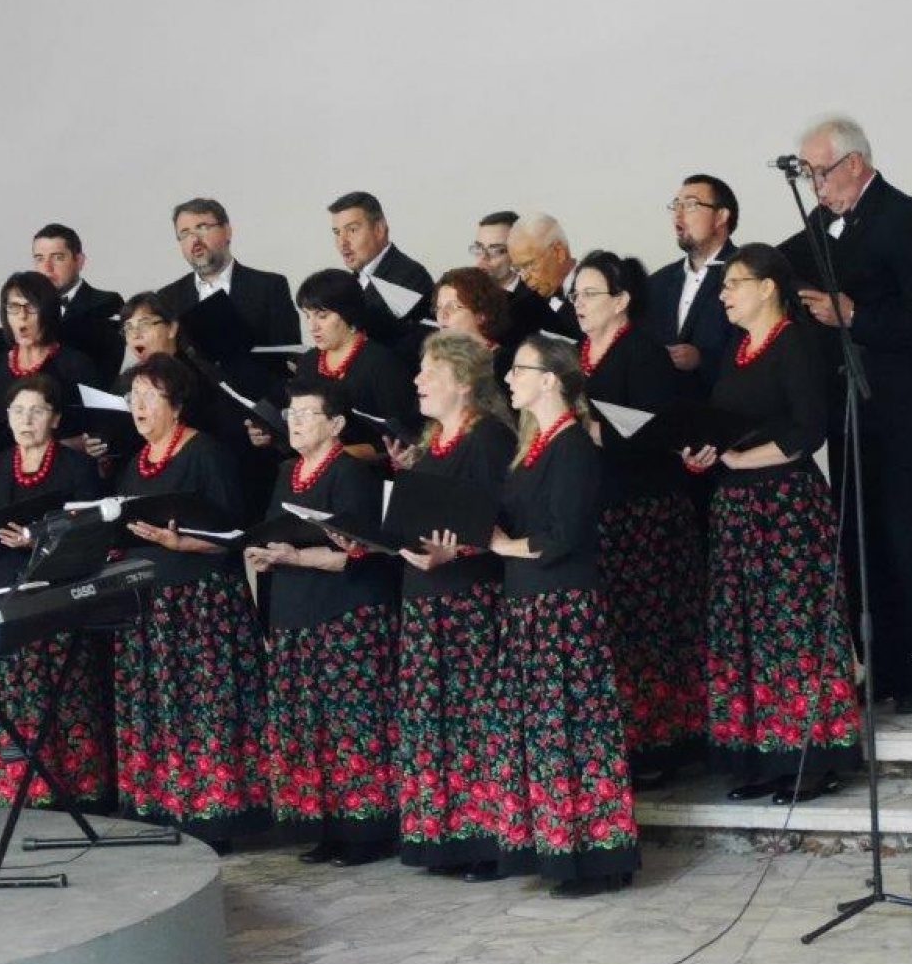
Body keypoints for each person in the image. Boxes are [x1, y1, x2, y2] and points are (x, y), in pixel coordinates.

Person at [779, 116, 912, 715]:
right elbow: (788, 262)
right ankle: (884, 664)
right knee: (858, 533)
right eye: (807, 173)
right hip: (850, 406)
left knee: (907, 530)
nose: (813, 184)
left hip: (906, 404)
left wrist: (855, 314)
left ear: (853, 164)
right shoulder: (821, 224)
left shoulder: (907, 218)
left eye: (819, 171)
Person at [681, 243, 863, 804]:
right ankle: (761, 755)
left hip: (785, 507)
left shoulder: (798, 343)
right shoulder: (737, 347)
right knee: (748, 635)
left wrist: (740, 460)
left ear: (767, 288)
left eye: (734, 283)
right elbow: (725, 423)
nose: (724, 294)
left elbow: (809, 428)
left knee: (792, 632)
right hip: (737, 508)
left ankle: (811, 757)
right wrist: (707, 456)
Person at [487, 335, 638, 898]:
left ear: (551, 379)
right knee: (545, 734)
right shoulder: (531, 445)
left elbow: (564, 535)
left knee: (575, 731)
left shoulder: (572, 446)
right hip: (529, 603)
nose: (508, 379)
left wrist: (505, 547)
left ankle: (598, 856)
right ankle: (558, 850)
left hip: (562, 606)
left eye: (519, 369)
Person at [109, 354, 270, 852]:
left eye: (148, 397)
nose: (138, 407)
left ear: (176, 402)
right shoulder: (133, 464)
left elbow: (235, 534)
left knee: (207, 708)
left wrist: (182, 544)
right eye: (133, 398)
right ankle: (164, 807)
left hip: (203, 606)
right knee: (159, 708)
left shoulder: (207, 454)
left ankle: (219, 815)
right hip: (148, 606)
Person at [246, 379, 399, 867]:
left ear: (335, 424)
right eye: (290, 414)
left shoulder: (351, 472)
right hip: (296, 609)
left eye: (307, 415)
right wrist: (270, 555)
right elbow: (279, 532)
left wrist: (297, 554)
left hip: (345, 612)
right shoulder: (288, 471)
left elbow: (357, 552)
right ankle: (330, 826)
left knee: (352, 724)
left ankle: (370, 830)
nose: (294, 422)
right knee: (311, 728)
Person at [572, 251, 707, 782]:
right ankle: (630, 738)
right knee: (617, 631)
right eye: (575, 295)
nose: (579, 304)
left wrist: (592, 430)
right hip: (600, 508)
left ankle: (667, 745)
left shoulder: (643, 351)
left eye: (590, 294)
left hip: (645, 510)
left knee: (651, 629)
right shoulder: (577, 354)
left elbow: (657, 435)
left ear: (622, 300)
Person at [390, 332, 515, 881]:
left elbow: (496, 519)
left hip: (468, 598)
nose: (417, 381)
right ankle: (445, 836)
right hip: (426, 597)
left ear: (463, 382)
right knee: (435, 720)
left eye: (429, 371)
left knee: (473, 719)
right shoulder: (432, 440)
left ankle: (486, 840)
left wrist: (453, 549)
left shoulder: (486, 438)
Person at [0, 374, 109, 808]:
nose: (26, 420)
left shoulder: (77, 468)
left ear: (55, 418)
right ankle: (15, 788)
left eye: (37, 411)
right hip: (6, 589)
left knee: (64, 693)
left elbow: (89, 535)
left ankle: (78, 791)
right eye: (18, 411)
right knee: (10, 694)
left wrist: (35, 539)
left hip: (57, 587)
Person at [117, 292, 277, 522]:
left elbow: (233, 433)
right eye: (128, 328)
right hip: (154, 486)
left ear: (172, 329)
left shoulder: (204, 375)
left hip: (212, 487)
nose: (136, 334)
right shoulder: (125, 383)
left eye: (144, 324)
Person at [259, 269, 415, 462]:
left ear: (348, 314)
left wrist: (337, 456)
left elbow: (404, 437)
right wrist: (271, 434)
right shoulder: (308, 361)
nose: (312, 326)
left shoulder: (381, 363)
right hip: (316, 469)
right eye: (308, 316)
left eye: (322, 316)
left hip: (366, 473)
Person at [154, 197, 299, 346]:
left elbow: (289, 355)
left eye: (202, 227)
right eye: (185, 234)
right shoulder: (167, 298)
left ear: (227, 231)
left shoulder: (269, 287)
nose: (194, 239)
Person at [646, 175, 741, 399]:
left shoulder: (745, 275)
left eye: (690, 205)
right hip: (666, 413)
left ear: (721, 216)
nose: (678, 215)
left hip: (724, 413)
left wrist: (702, 360)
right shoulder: (658, 282)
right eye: (675, 206)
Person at [0, 271, 101, 426]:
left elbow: (94, 430)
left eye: (31, 306)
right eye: (13, 307)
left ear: (49, 312)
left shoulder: (76, 366)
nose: (22, 316)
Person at [328, 191, 435, 360]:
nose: (342, 242)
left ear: (379, 229)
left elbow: (393, 344)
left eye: (352, 230)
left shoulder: (411, 276)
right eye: (336, 232)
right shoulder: (351, 281)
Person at [33, 222, 125, 384]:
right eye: (40, 259)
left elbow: (105, 371)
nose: (47, 268)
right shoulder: (26, 309)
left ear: (79, 261)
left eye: (57, 257)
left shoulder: (106, 303)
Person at [505, 214, 582, 340]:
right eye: (518, 269)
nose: (524, 277)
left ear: (559, 252)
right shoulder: (521, 305)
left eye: (529, 265)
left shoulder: (599, 288)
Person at [430, 266, 513, 381]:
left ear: (481, 314)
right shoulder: (434, 358)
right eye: (438, 308)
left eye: (453, 307)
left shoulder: (502, 363)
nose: (442, 315)